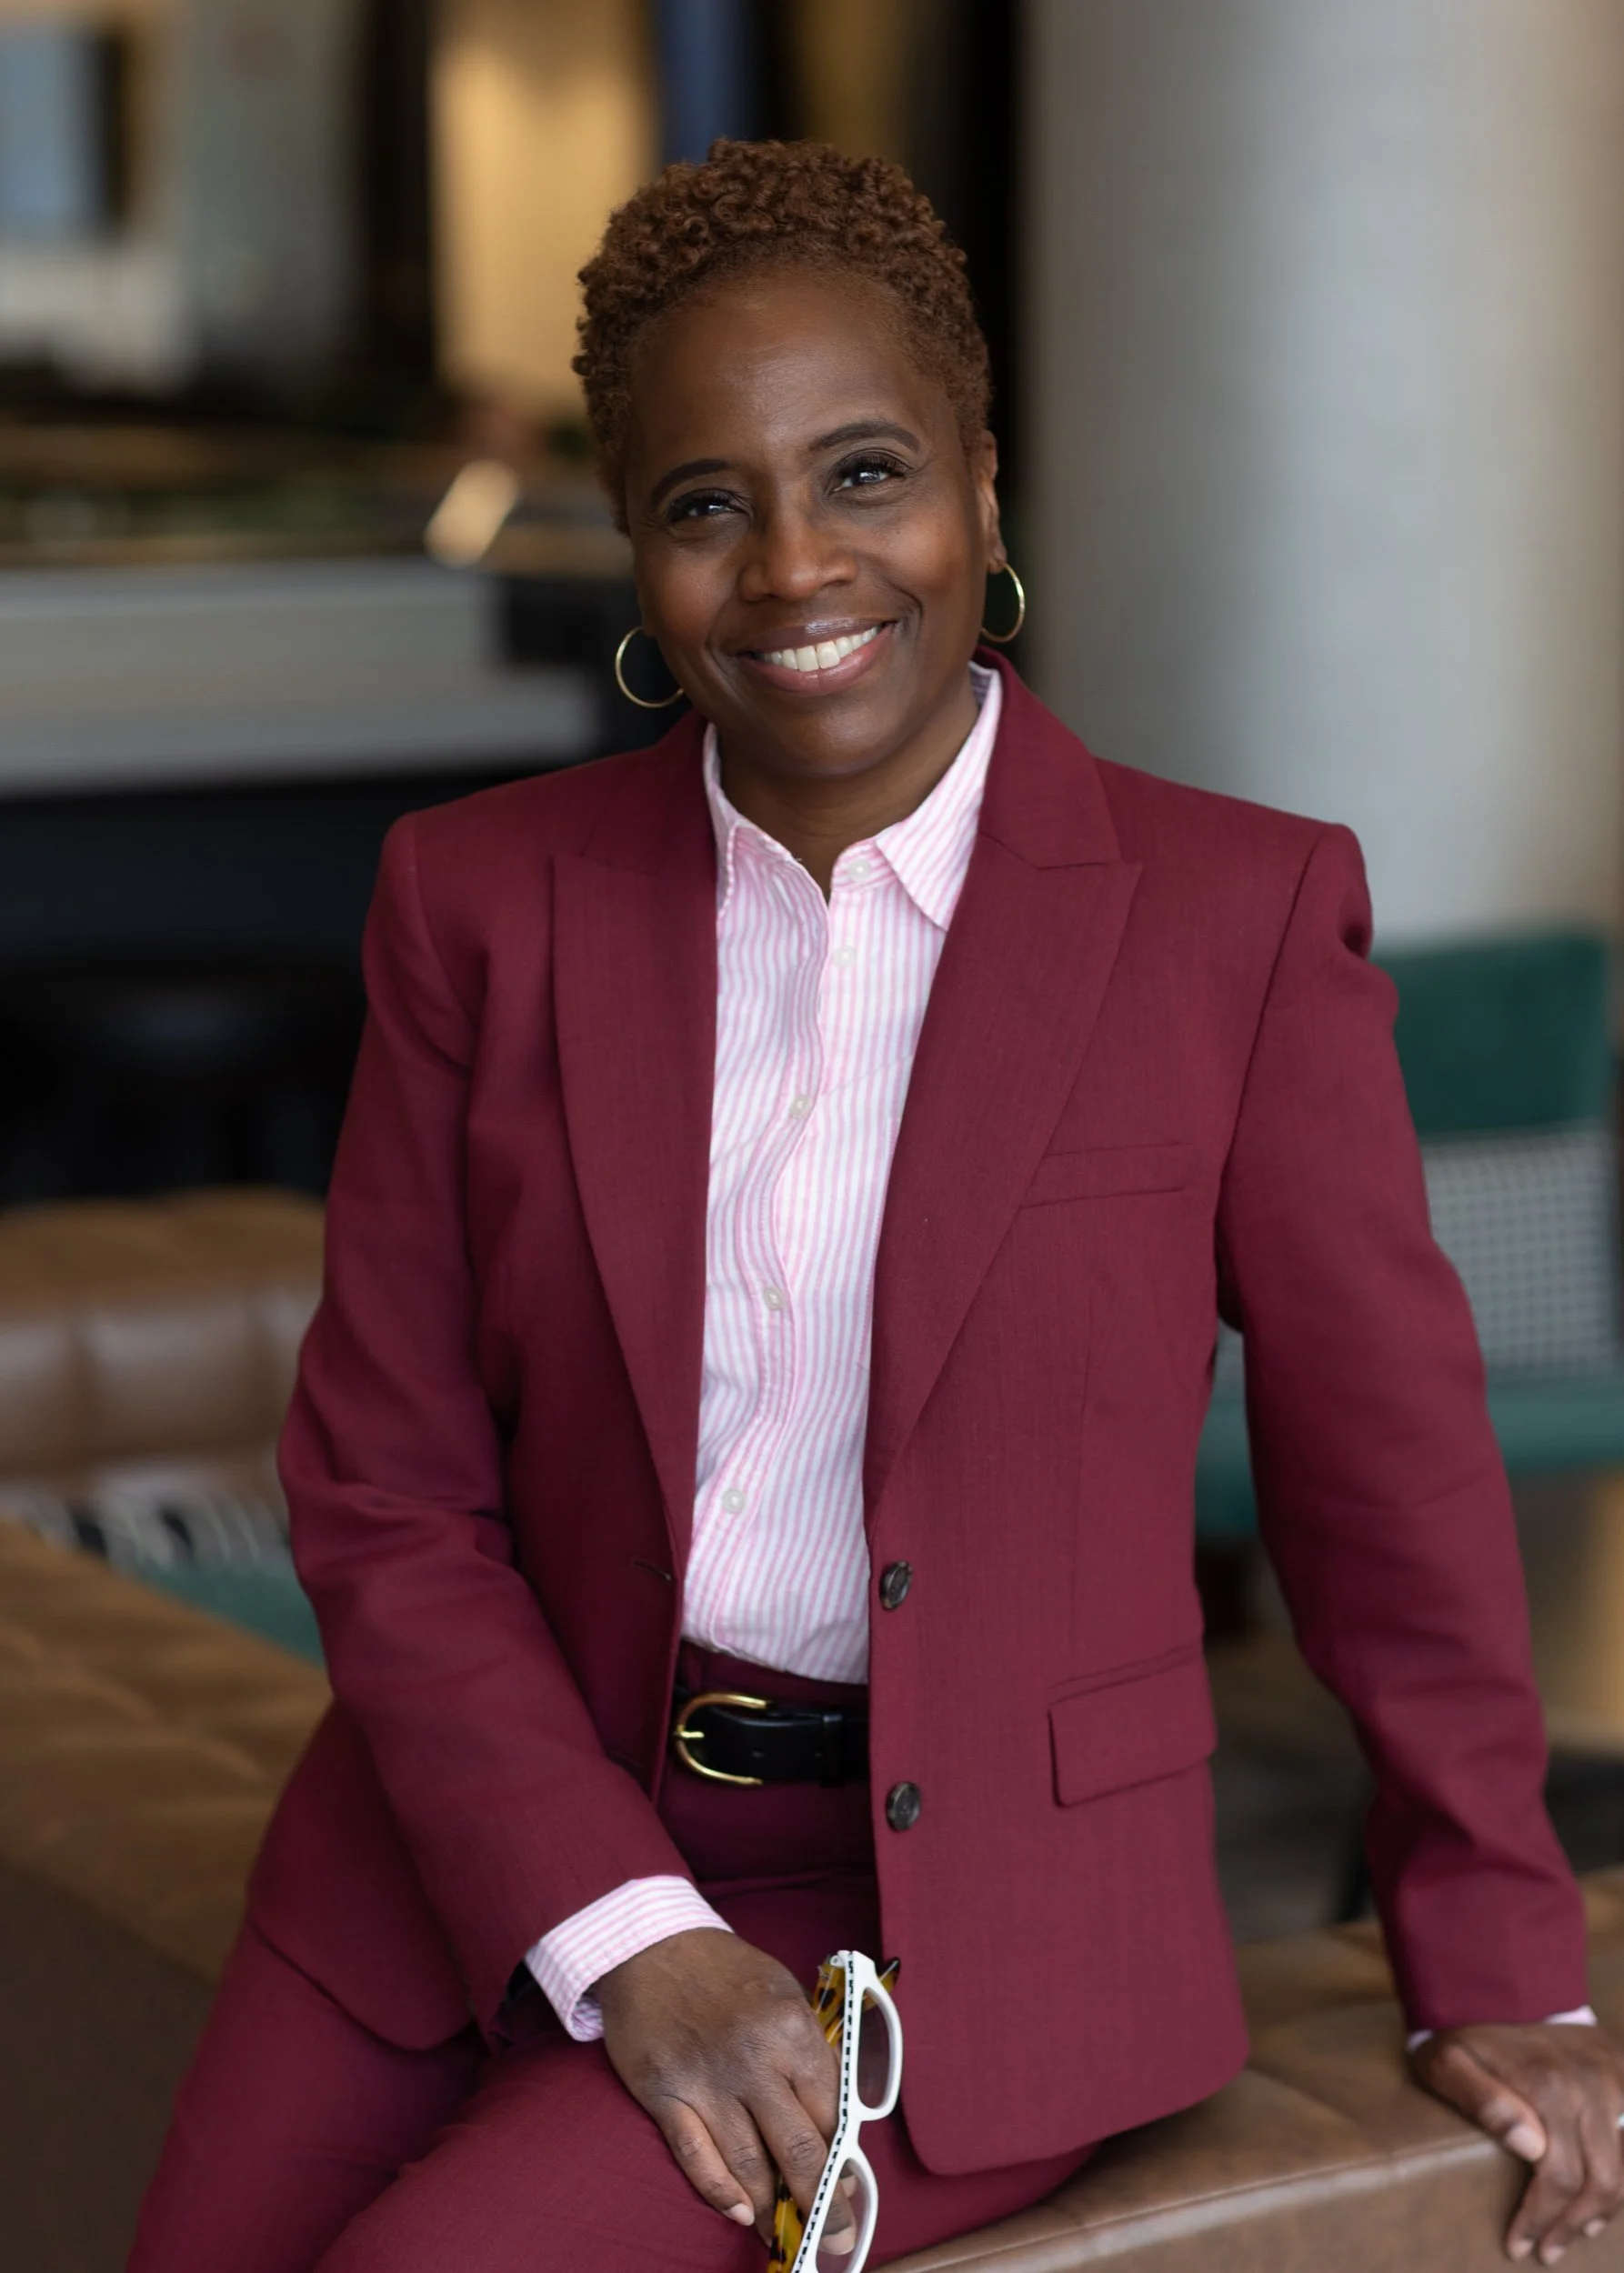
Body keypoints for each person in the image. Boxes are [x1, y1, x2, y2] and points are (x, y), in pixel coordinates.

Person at [130, 139, 1624, 2273]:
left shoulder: (1230, 917)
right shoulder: (478, 904)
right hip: (471, 1833)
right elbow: (383, 1488)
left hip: (966, 1916)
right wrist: (627, 1928)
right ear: (634, 552)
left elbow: (1379, 1471)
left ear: (982, 487)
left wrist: (1503, 1953)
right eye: (703, 504)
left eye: (861, 473)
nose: (794, 569)